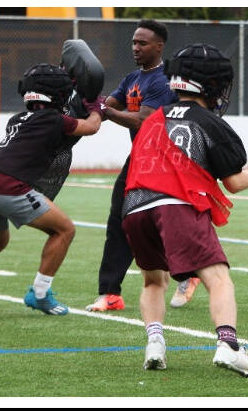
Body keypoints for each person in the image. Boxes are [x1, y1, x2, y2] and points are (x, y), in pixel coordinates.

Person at [120, 43, 248, 376]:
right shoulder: (209, 122)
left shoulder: (153, 118)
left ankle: (155, 342)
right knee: (219, 279)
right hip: (176, 204)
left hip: (134, 207)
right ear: (213, 85)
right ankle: (228, 345)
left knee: (153, 281)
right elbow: (235, 183)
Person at [0, 64, 105, 316]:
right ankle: (40, 294)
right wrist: (96, 108)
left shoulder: (16, 119)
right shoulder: (52, 118)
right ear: (59, 94)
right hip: (8, 186)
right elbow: (91, 128)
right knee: (64, 230)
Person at [85, 19, 195, 313]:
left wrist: (102, 108)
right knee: (118, 220)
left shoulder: (162, 81)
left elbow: (142, 119)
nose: (135, 47)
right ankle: (110, 293)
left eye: (142, 43)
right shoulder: (133, 78)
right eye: (134, 42)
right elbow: (107, 107)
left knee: (160, 223)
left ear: (159, 46)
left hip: (165, 162)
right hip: (139, 158)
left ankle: (188, 273)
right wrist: (85, 105)